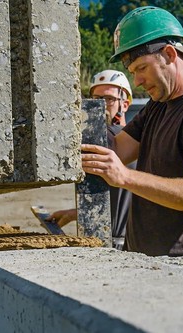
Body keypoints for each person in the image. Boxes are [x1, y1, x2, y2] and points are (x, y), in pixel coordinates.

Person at [80, 6, 183, 264]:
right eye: (133, 72)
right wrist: (80, 116)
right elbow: (117, 149)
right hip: (145, 264)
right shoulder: (158, 106)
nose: (138, 81)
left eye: (142, 67)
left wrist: (125, 176)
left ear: (170, 54)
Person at [48, 70, 137, 250]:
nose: (102, 105)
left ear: (125, 104)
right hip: (103, 237)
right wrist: (76, 213)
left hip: (126, 242)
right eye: (96, 99)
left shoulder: (130, 142)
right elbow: (113, 199)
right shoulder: (100, 142)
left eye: (109, 99)